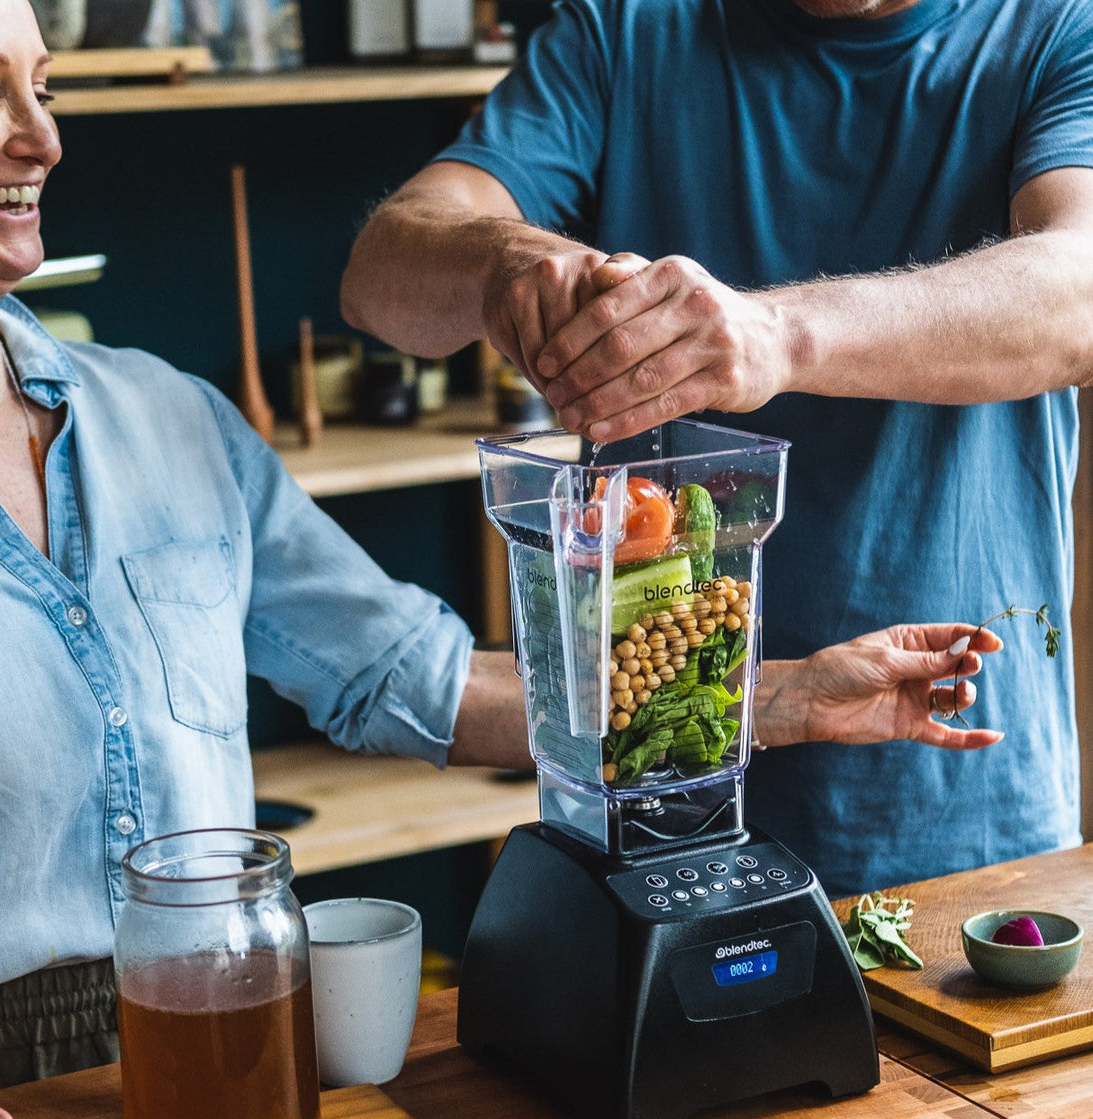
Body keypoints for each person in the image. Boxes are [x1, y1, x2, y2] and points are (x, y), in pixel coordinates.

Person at [0, 0, 1009, 1119]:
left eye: (46, 90)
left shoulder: (166, 418)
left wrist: (788, 697)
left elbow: (411, 680)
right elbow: (400, 257)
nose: (41, 139)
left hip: (238, 1048)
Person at [341, 0, 1093, 900]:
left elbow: (1078, 291)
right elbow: (381, 274)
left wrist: (779, 335)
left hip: (960, 798)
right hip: (663, 796)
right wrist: (504, 259)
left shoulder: (1056, 29)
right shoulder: (627, 31)